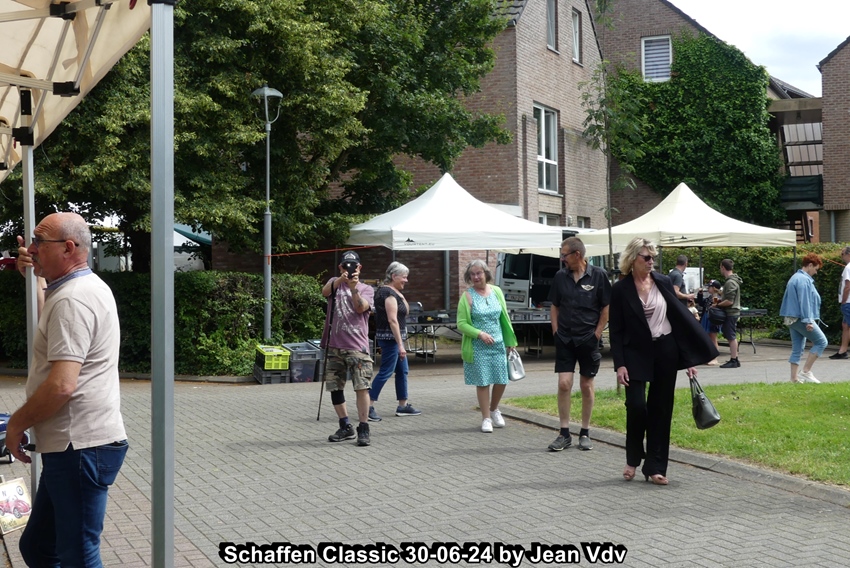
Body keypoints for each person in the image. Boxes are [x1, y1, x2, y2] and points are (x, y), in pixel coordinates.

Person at [5, 212, 128, 567]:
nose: (30, 250)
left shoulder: (72, 299)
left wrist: (16, 424)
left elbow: (61, 386)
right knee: (39, 547)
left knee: (78, 555)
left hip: (80, 449)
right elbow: (52, 323)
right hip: (76, 447)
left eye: (39, 243)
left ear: (68, 248)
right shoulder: (80, 288)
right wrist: (35, 278)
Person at [609, 237, 717, 486]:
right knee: (636, 406)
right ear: (632, 259)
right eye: (646, 257)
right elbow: (616, 330)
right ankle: (633, 458)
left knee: (661, 408)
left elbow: (677, 321)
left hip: (665, 349)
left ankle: (656, 466)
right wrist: (620, 364)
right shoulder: (620, 289)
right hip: (635, 353)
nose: (651, 262)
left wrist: (688, 359)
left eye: (653, 258)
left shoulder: (663, 282)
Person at [547, 236, 611, 451]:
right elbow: (554, 305)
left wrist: (597, 333)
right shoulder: (560, 276)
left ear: (577, 255)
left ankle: (585, 432)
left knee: (586, 385)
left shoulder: (599, 275)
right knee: (564, 383)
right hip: (565, 338)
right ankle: (564, 433)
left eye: (564, 255)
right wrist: (556, 331)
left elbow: (606, 307)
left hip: (587, 339)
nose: (562, 259)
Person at [456, 259, 518, 433]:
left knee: (502, 379)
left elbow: (504, 318)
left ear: (486, 273)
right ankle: (486, 418)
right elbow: (461, 323)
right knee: (483, 382)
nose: (476, 277)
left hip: (498, 344)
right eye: (472, 274)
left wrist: (510, 342)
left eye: (479, 273)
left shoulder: (496, 291)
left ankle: (494, 409)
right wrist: (479, 334)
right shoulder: (467, 296)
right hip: (478, 346)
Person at [321, 250, 375, 446]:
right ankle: (345, 425)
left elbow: (361, 308)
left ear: (359, 267)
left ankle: (363, 427)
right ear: (340, 267)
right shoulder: (334, 283)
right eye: (346, 265)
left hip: (357, 346)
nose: (349, 269)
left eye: (353, 265)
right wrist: (340, 280)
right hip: (334, 345)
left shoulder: (366, 288)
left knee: (362, 387)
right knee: (335, 387)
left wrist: (353, 288)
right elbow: (325, 292)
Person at [368, 262, 421, 421]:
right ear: (393, 276)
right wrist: (400, 345)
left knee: (402, 371)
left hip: (395, 339)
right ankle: (367, 405)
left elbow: (405, 311)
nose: (406, 280)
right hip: (391, 339)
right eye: (404, 277)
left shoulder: (393, 292)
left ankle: (402, 406)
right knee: (386, 371)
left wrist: (400, 294)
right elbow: (392, 320)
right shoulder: (387, 293)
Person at [779, 253, 827, 383]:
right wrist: (808, 321)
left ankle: (794, 379)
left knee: (798, 348)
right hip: (801, 318)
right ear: (810, 265)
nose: (816, 272)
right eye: (816, 269)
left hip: (792, 318)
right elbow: (805, 302)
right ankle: (806, 372)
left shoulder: (796, 277)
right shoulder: (803, 280)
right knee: (822, 342)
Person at [718, 258, 743, 368]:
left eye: (720, 268)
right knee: (730, 335)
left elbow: (729, 301)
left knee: (731, 336)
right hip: (732, 312)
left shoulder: (730, 282)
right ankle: (735, 358)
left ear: (723, 267)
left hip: (731, 312)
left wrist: (718, 305)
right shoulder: (733, 281)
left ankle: (734, 359)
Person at [829, 246, 850, 360]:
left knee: (848, 325)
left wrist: (843, 300)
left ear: (848, 254)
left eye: (842, 254)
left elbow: (847, 286)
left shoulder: (848, 267)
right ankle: (843, 350)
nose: (841, 256)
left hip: (848, 302)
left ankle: (843, 351)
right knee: (845, 325)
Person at [699, 279, 723, 366]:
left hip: (712, 319)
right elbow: (702, 303)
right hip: (707, 317)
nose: (708, 288)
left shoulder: (717, 298)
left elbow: (715, 307)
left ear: (714, 288)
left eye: (710, 287)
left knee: (713, 338)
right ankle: (709, 357)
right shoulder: (710, 297)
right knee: (708, 338)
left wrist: (715, 303)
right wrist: (700, 295)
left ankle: (715, 358)